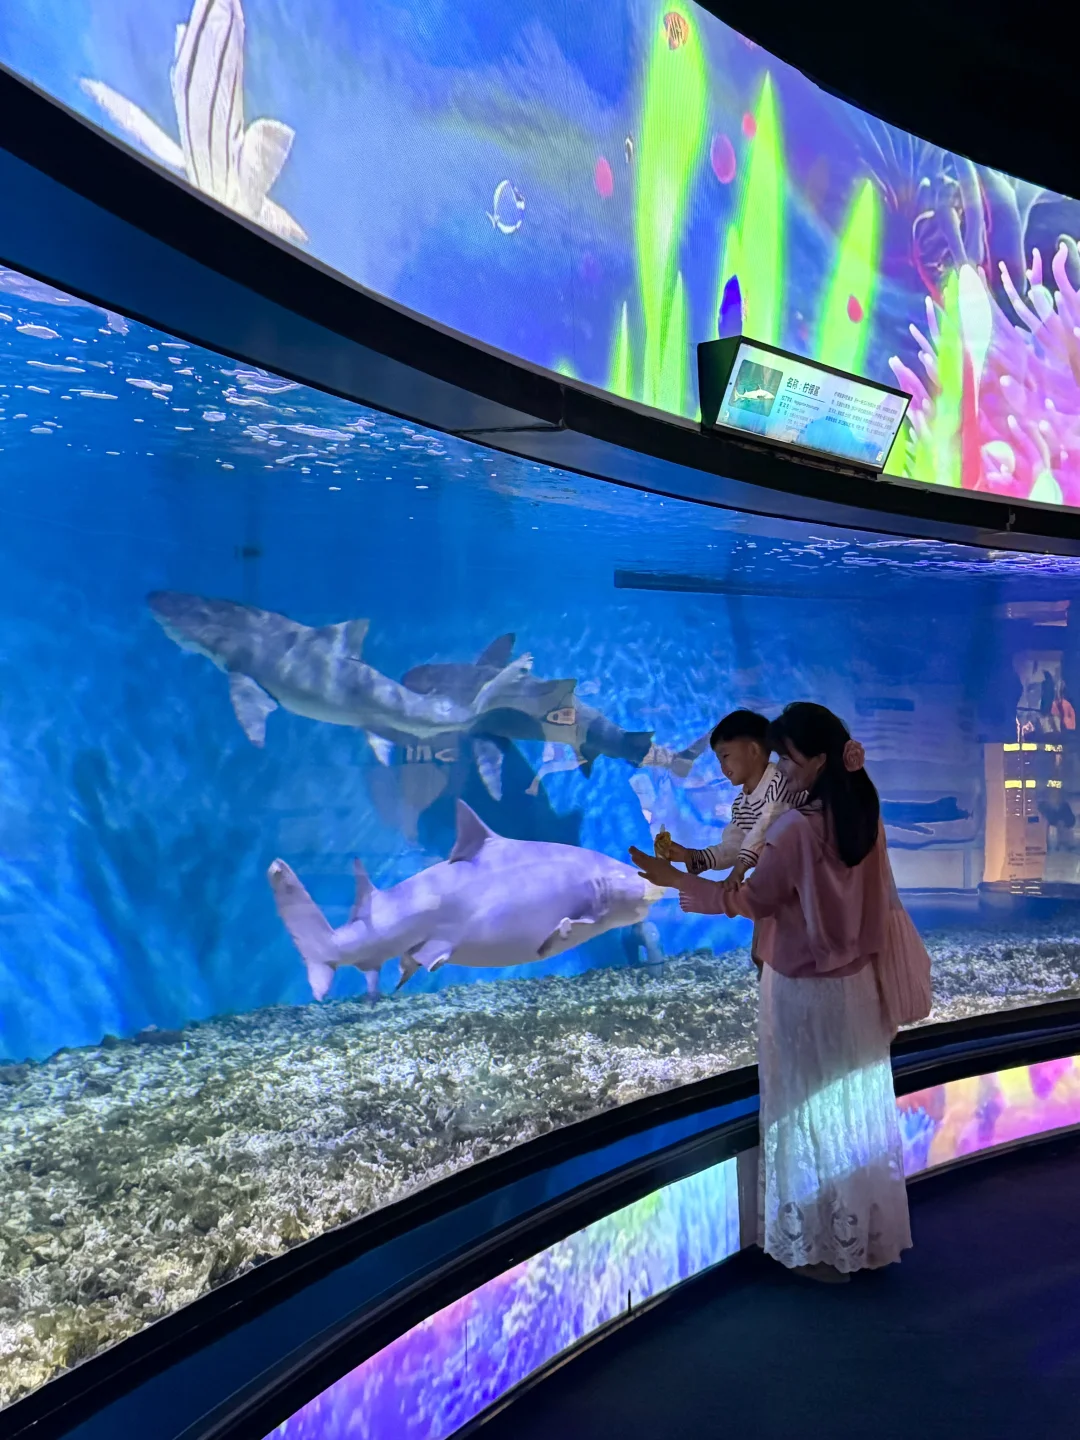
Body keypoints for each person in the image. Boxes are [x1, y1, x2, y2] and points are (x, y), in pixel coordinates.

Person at [631, 703, 918, 1284]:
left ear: (816, 761)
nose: (779, 770)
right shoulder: (861, 814)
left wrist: (676, 880)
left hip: (804, 990)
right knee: (850, 1110)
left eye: (786, 758)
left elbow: (749, 899)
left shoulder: (793, 829)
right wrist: (698, 861)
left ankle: (821, 1249)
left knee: (804, 1109)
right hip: (857, 990)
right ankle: (863, 1237)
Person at [655, 709, 800, 889]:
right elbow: (734, 845)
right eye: (719, 760)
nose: (723, 767)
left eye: (725, 756)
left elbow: (765, 826)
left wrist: (739, 870)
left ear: (753, 750)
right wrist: (690, 856)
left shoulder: (780, 781)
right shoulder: (741, 804)